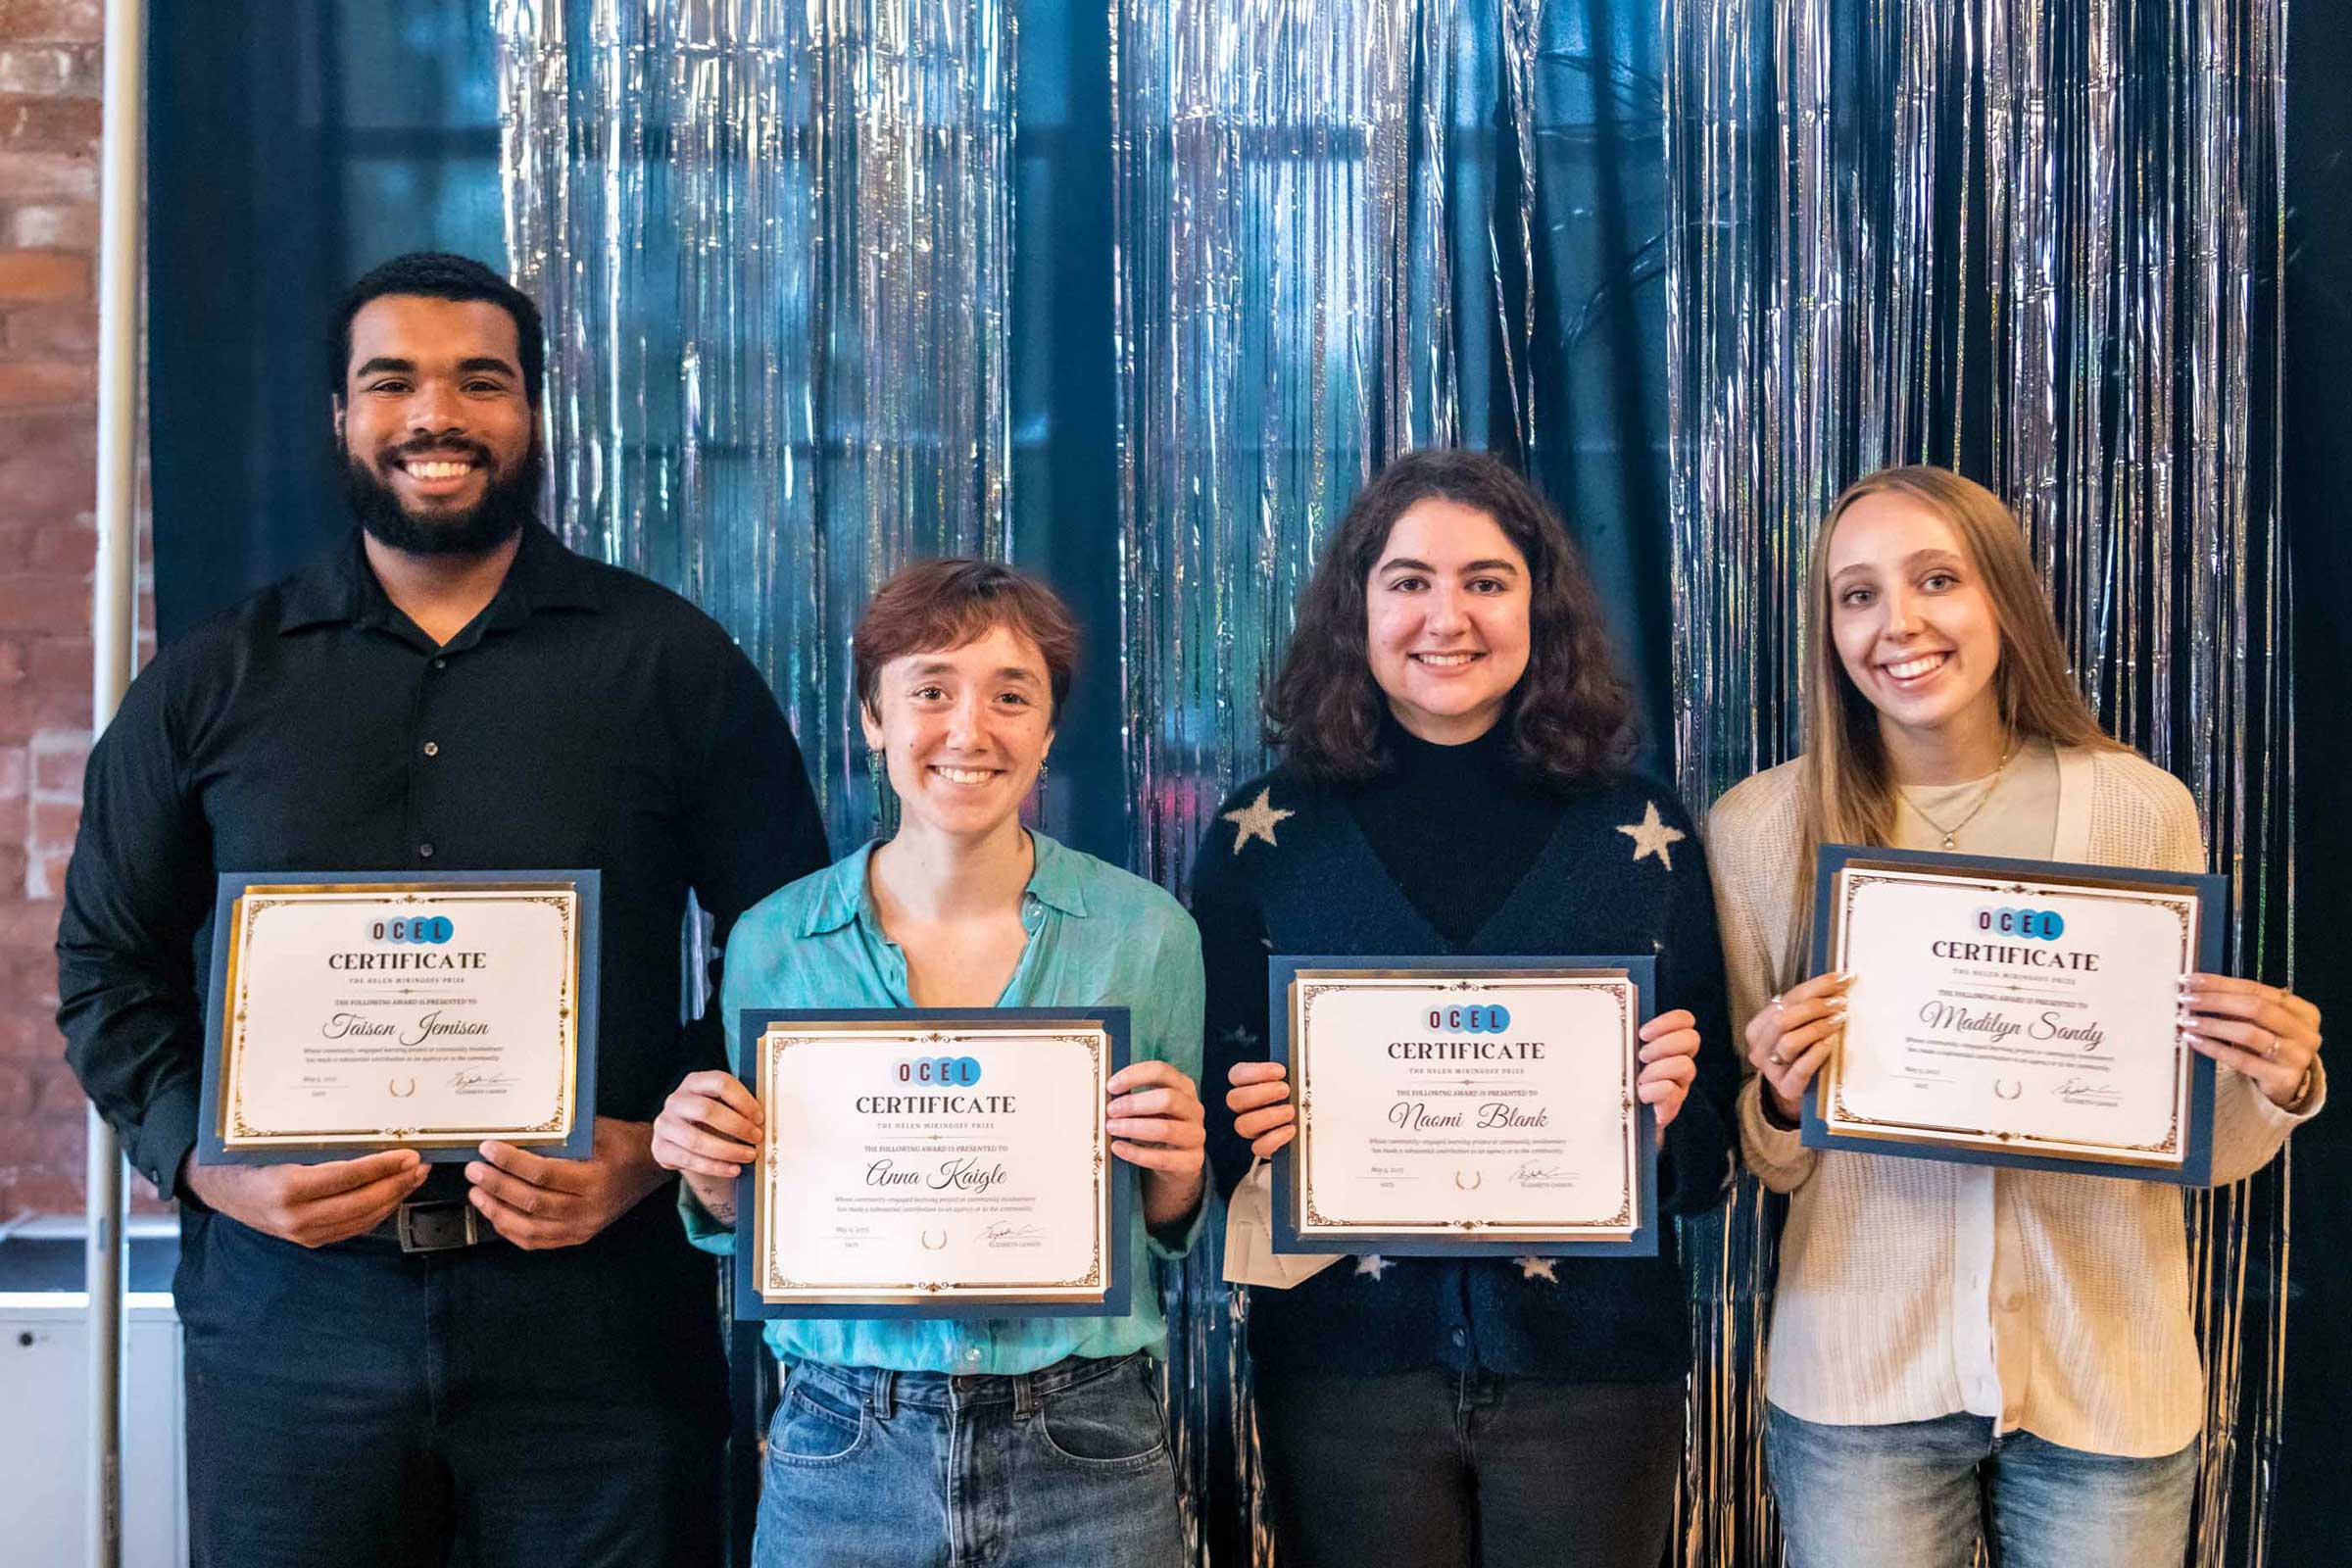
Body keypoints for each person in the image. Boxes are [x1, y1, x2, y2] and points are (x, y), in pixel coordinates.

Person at [56, 252, 830, 1566]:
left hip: (598, 1328)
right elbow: (107, 966)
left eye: (480, 381)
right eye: (393, 381)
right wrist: (205, 1162)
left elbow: (800, 958)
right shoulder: (208, 684)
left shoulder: (672, 664)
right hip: (290, 1331)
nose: (436, 415)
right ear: (340, 415)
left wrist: (647, 1151)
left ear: (532, 410)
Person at [1712, 466, 2326, 1568]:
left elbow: (2197, 1151)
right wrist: (1781, 1101)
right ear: (1828, 630)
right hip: (1860, 1382)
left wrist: (2274, 1085)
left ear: (2004, 597)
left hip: (2109, 1378)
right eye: (1857, 595)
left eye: (1937, 579)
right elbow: (1767, 1160)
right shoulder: (1761, 826)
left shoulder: (2141, 809)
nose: (1898, 623)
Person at [1195, 448, 1741, 1568]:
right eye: (1409, 581)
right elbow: (1209, 1136)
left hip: (1594, 1373)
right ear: (1357, 606)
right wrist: (1246, 1128)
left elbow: (1711, 1148)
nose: (1447, 616)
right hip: (1346, 1370)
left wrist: (1669, 1118)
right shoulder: (1263, 836)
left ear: (1540, 604)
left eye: (1486, 581)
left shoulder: (1640, 830)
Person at [651, 558, 1208, 1568]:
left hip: (1087, 1442)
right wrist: (711, 1169)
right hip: (842, 1441)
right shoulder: (776, 940)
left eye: (1011, 696)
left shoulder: (1149, 934)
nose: (969, 730)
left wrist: (1178, 1171)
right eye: (931, 691)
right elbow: (758, 1222)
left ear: (1049, 729)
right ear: (873, 717)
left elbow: (1165, 1227)